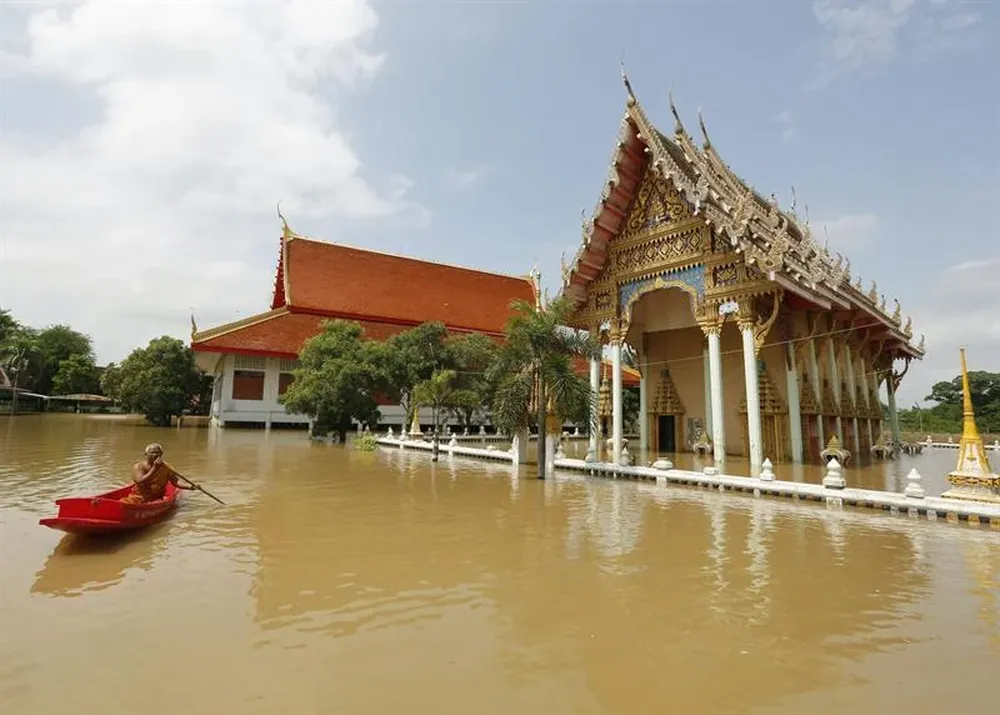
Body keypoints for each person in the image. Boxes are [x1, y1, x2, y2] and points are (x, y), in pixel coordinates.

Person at [120, 443, 196, 504]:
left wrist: (189, 486)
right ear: (146, 454)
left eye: (158, 453)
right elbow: (140, 481)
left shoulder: (166, 467)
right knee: (124, 502)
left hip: (157, 498)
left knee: (159, 502)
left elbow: (175, 481)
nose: (155, 455)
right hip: (139, 497)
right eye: (152, 452)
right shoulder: (138, 467)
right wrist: (154, 468)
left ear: (161, 454)